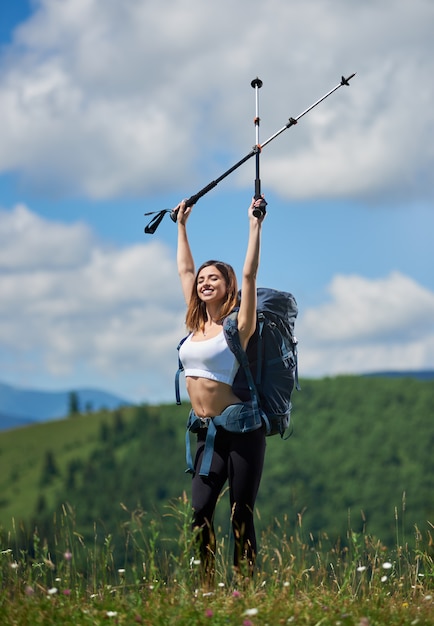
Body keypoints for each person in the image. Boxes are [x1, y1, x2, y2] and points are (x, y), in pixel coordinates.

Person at [175, 195, 266, 581]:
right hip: (208, 434)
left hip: (243, 432)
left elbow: (249, 276)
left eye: (214, 277)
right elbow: (184, 271)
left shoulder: (238, 326)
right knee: (199, 512)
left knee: (240, 512)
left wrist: (254, 224)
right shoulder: (195, 325)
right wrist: (181, 226)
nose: (203, 282)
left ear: (227, 285)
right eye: (202, 280)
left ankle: (245, 589)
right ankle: (207, 585)